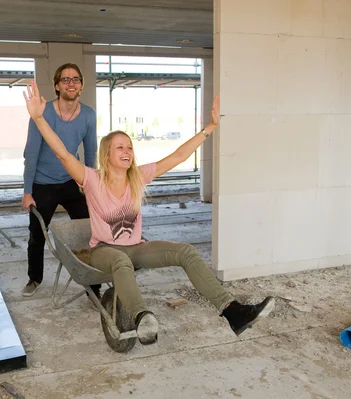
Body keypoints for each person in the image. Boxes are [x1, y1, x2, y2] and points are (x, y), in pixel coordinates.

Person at [23, 81, 275, 345]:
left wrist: (209, 127)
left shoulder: (138, 177)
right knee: (121, 263)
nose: (127, 151)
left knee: (186, 251)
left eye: (129, 147)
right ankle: (142, 316)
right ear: (107, 154)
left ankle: (231, 311)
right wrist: (39, 119)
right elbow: (63, 154)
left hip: (136, 248)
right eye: (120, 147)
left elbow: (178, 156)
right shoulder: (92, 179)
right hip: (103, 251)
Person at [21, 63, 102, 300]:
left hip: (70, 181)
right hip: (42, 184)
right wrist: (28, 191)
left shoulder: (88, 115)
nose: (71, 83)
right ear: (57, 85)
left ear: (81, 85)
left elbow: (90, 152)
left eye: (75, 79)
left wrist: (89, 183)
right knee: (37, 234)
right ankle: (35, 278)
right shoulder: (42, 112)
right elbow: (31, 153)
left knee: (90, 229)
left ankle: (93, 285)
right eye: (65, 79)